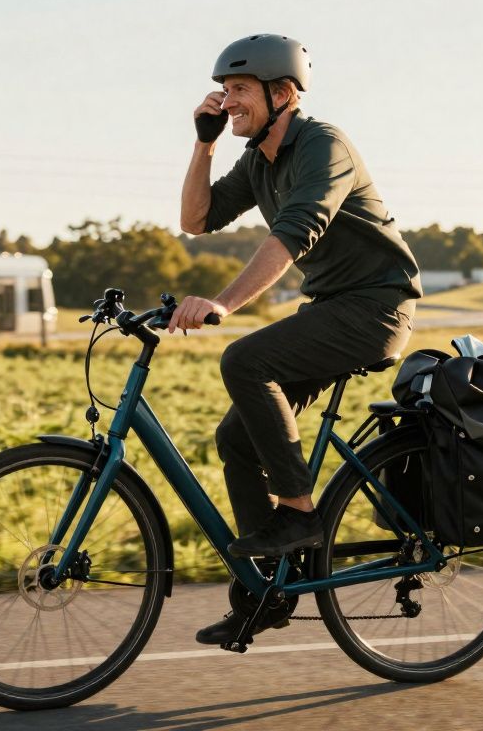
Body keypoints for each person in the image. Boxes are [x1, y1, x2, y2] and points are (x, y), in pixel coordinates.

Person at [169, 34, 423, 645]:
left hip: (376, 308)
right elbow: (196, 220)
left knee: (245, 359)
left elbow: (296, 232)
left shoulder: (322, 146)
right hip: (335, 307)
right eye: (225, 91)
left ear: (283, 94)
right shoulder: (259, 161)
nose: (228, 102)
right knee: (235, 438)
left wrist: (224, 304)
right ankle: (269, 588)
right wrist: (202, 146)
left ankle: (300, 514)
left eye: (240, 91)